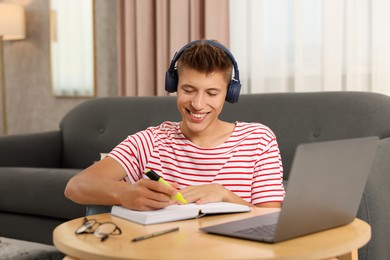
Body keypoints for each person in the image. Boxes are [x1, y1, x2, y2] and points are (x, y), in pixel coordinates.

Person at [65, 39, 285, 211]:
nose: (198, 104)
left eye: (211, 93)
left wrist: (224, 195)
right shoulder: (150, 142)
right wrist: (126, 193)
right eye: (188, 90)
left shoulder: (258, 140)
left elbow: (271, 219)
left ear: (229, 94)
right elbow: (76, 186)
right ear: (174, 85)